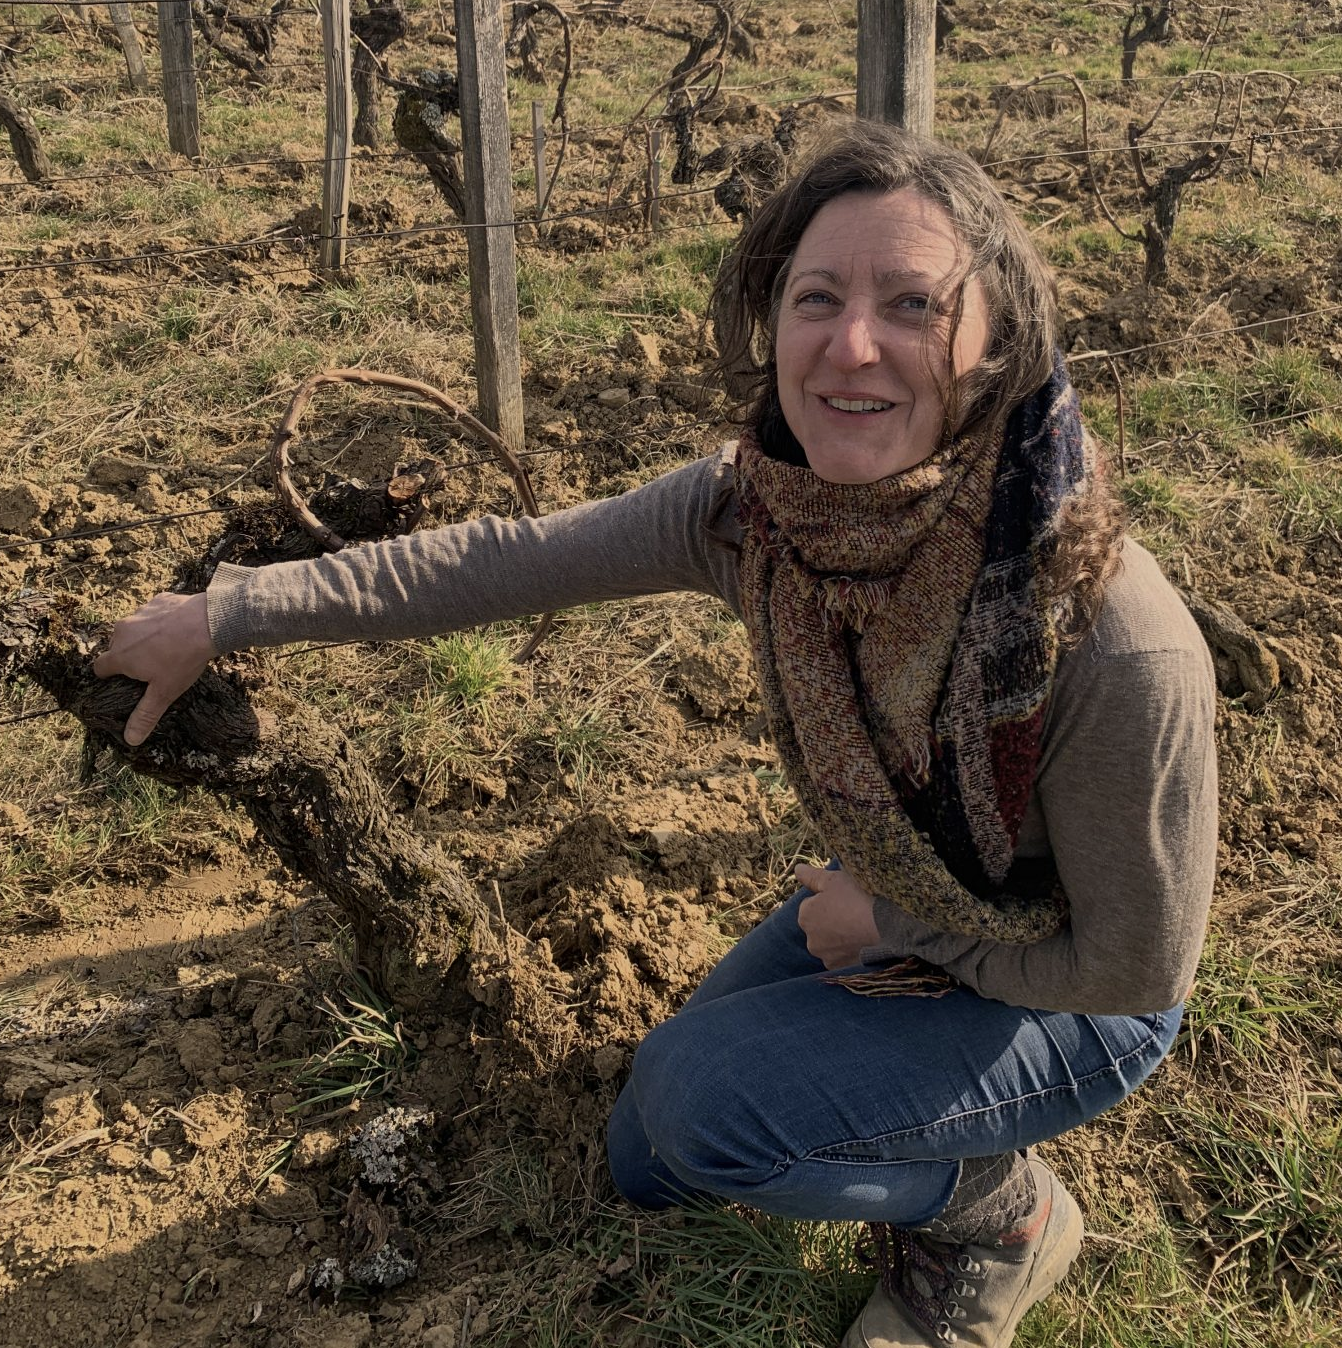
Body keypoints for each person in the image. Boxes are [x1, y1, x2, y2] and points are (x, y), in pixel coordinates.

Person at [94, 121, 1217, 1347]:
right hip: (921, 896)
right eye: (817, 297)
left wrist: (890, 924)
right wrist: (230, 609)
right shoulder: (757, 517)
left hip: (1077, 993)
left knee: (706, 1110)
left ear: (996, 338)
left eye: (911, 303)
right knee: (651, 1152)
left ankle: (993, 1214)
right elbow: (508, 562)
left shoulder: (1104, 639)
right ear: (770, 318)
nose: (852, 345)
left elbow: (1133, 972)